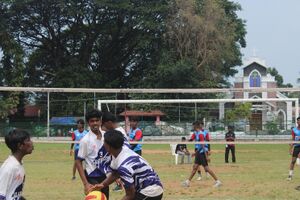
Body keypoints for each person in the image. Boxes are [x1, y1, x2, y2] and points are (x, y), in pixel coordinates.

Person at [91, 130, 163, 200]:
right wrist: (103, 184)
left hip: (151, 192)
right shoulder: (121, 150)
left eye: (104, 143)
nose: (103, 145)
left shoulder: (123, 167)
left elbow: (130, 195)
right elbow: (115, 174)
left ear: (109, 147)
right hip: (149, 188)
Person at [75, 109, 111, 199]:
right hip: (92, 177)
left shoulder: (107, 136)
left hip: (105, 178)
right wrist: (86, 184)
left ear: (101, 121)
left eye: (97, 120)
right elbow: (78, 161)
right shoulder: (85, 140)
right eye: (92, 121)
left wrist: (115, 176)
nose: (95, 123)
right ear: (88, 123)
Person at [182, 121, 222, 187]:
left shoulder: (200, 134)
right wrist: (196, 153)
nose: (192, 127)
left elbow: (203, 145)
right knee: (195, 167)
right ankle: (187, 182)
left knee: (206, 168)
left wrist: (206, 156)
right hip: (199, 152)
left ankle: (218, 181)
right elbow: (199, 144)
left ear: (196, 126)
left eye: (193, 126)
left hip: (202, 153)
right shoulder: (197, 133)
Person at [0, 129, 34, 200]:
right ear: (20, 146)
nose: (31, 142)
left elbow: (14, 194)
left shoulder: (18, 164)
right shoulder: (9, 167)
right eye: (28, 140)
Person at [287, 117, 300, 181]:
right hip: (297, 147)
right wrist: (290, 148)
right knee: (293, 161)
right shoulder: (294, 130)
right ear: (297, 122)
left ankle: (298, 158)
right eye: (298, 121)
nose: (299, 122)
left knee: (298, 160)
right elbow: (293, 139)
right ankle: (290, 175)